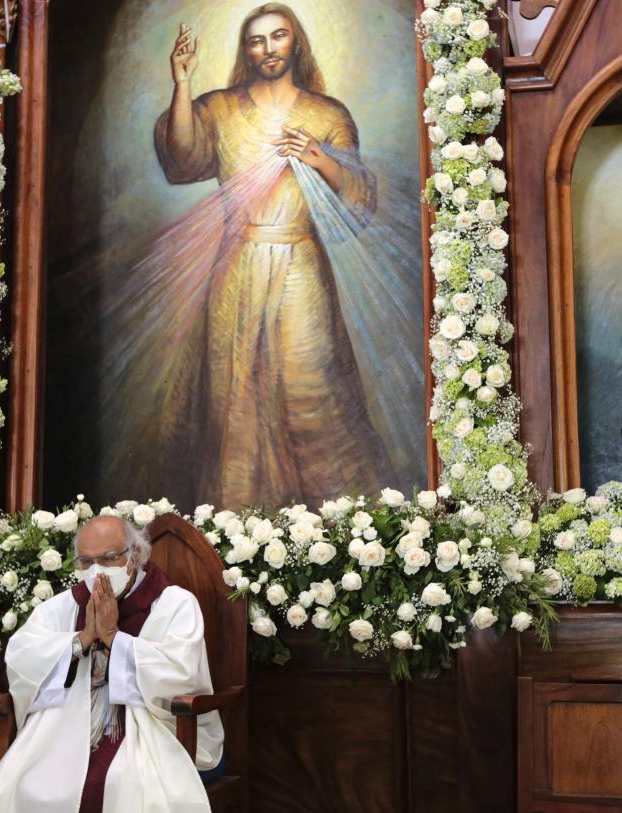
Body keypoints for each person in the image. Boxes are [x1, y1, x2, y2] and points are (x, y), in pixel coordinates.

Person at [150, 3, 393, 509]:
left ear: (295, 42)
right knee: (232, 395)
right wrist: (182, 84)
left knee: (313, 390)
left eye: (278, 37)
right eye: (257, 41)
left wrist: (318, 157)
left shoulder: (327, 115)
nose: (268, 49)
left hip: (300, 263)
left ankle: (336, 528)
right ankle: (241, 523)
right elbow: (182, 160)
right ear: (246, 51)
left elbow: (359, 200)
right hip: (236, 264)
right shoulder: (218, 107)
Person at [0, 516, 224, 813]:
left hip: (148, 729)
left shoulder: (175, 603)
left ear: (135, 555)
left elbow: (182, 674)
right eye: (87, 562)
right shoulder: (64, 606)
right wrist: (82, 639)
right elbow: (22, 657)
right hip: (65, 725)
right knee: (27, 783)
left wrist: (115, 639)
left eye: (108, 558)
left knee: (123, 785)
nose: (97, 571)